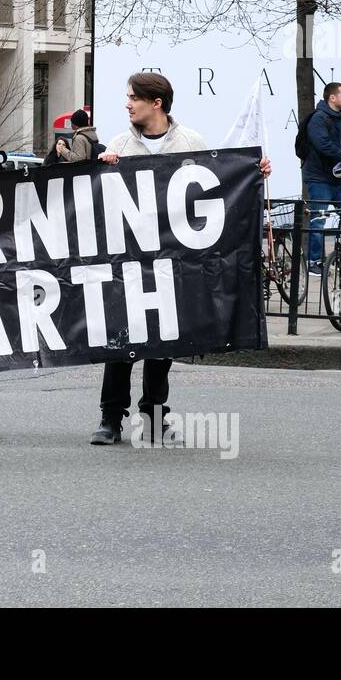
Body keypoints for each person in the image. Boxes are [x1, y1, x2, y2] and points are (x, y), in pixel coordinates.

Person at [94, 72, 272, 447]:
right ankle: (111, 418)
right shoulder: (120, 144)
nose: (127, 104)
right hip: (130, 262)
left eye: (133, 98)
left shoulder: (191, 142)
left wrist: (252, 174)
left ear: (155, 103)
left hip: (173, 264)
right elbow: (99, 202)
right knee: (121, 341)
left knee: (162, 343)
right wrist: (100, 170)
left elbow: (214, 192)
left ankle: (154, 416)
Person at [301, 82, 341, 275]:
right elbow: (324, 145)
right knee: (318, 220)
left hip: (338, 179)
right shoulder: (318, 119)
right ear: (332, 98)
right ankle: (314, 262)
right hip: (318, 178)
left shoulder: (339, 119)